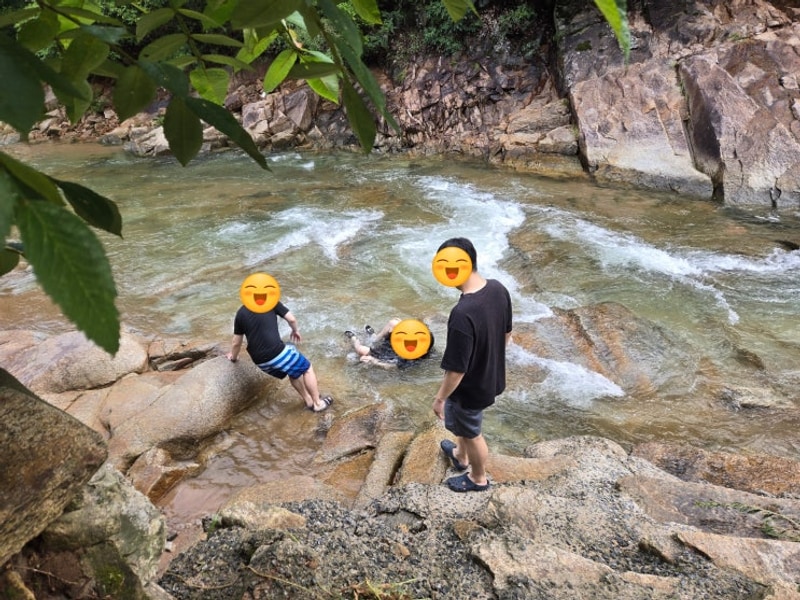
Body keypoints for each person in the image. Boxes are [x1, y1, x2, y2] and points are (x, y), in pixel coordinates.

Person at [432, 237, 512, 492]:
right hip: (491, 377)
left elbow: (457, 369)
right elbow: (507, 332)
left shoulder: (462, 314)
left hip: (471, 387)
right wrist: (491, 360)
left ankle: (478, 478)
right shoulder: (498, 289)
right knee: (466, 426)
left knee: (473, 432)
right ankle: (459, 455)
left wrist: (440, 398)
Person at [227, 299, 333, 412]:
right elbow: (291, 319)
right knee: (307, 368)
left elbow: (236, 342)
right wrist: (295, 331)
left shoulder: (241, 312)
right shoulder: (270, 302)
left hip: (259, 361)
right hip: (276, 352)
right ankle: (318, 403)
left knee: (292, 370)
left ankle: (309, 401)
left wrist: (233, 357)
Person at [344, 318, 434, 369]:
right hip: (400, 344)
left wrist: (374, 362)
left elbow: (393, 366)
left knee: (361, 350)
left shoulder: (412, 359)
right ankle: (375, 338)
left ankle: (354, 339)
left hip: (392, 354)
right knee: (393, 323)